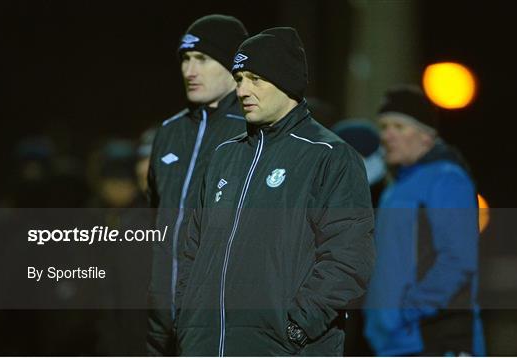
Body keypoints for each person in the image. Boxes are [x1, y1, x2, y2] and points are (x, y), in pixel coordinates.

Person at [175, 27, 375, 356]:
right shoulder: (224, 156)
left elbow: (349, 257)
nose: (242, 90)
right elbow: (192, 251)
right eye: (238, 79)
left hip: (283, 348)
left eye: (255, 78)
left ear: (285, 81)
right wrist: (187, 320)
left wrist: (297, 325)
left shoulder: (328, 155)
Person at [146, 14, 248, 355]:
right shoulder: (170, 131)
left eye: (202, 59)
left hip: (225, 327)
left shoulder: (253, 131)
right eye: (186, 59)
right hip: (161, 324)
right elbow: (156, 220)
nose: (190, 70)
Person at [364, 85, 485, 356]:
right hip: (395, 342)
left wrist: (410, 310)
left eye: (399, 126)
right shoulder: (396, 187)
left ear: (426, 135)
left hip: (434, 338)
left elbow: (458, 259)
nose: (387, 136)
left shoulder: (447, 178)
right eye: (384, 127)